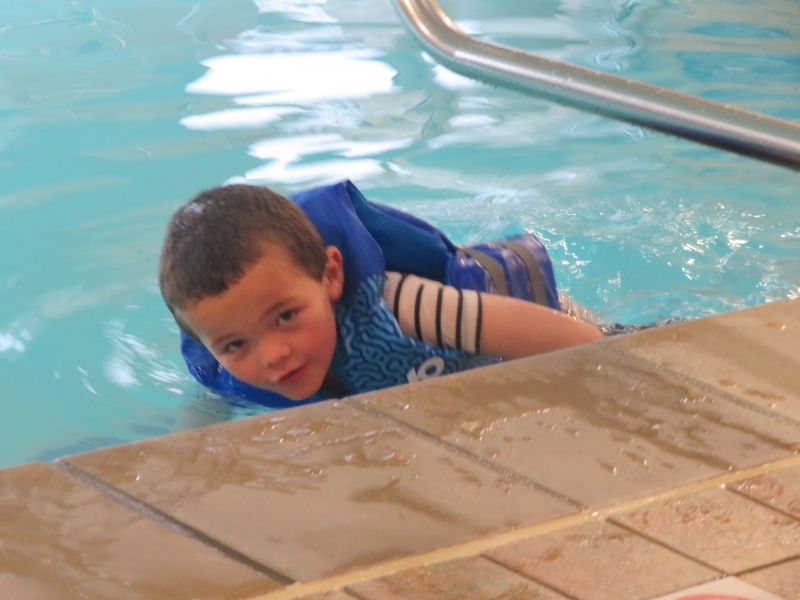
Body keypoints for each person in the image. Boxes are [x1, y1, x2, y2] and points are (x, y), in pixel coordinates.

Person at [158, 180, 602, 407]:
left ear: (330, 275)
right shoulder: (229, 375)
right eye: (235, 344)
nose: (272, 355)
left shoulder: (399, 306)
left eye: (286, 316)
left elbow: (581, 343)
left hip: (529, 322)